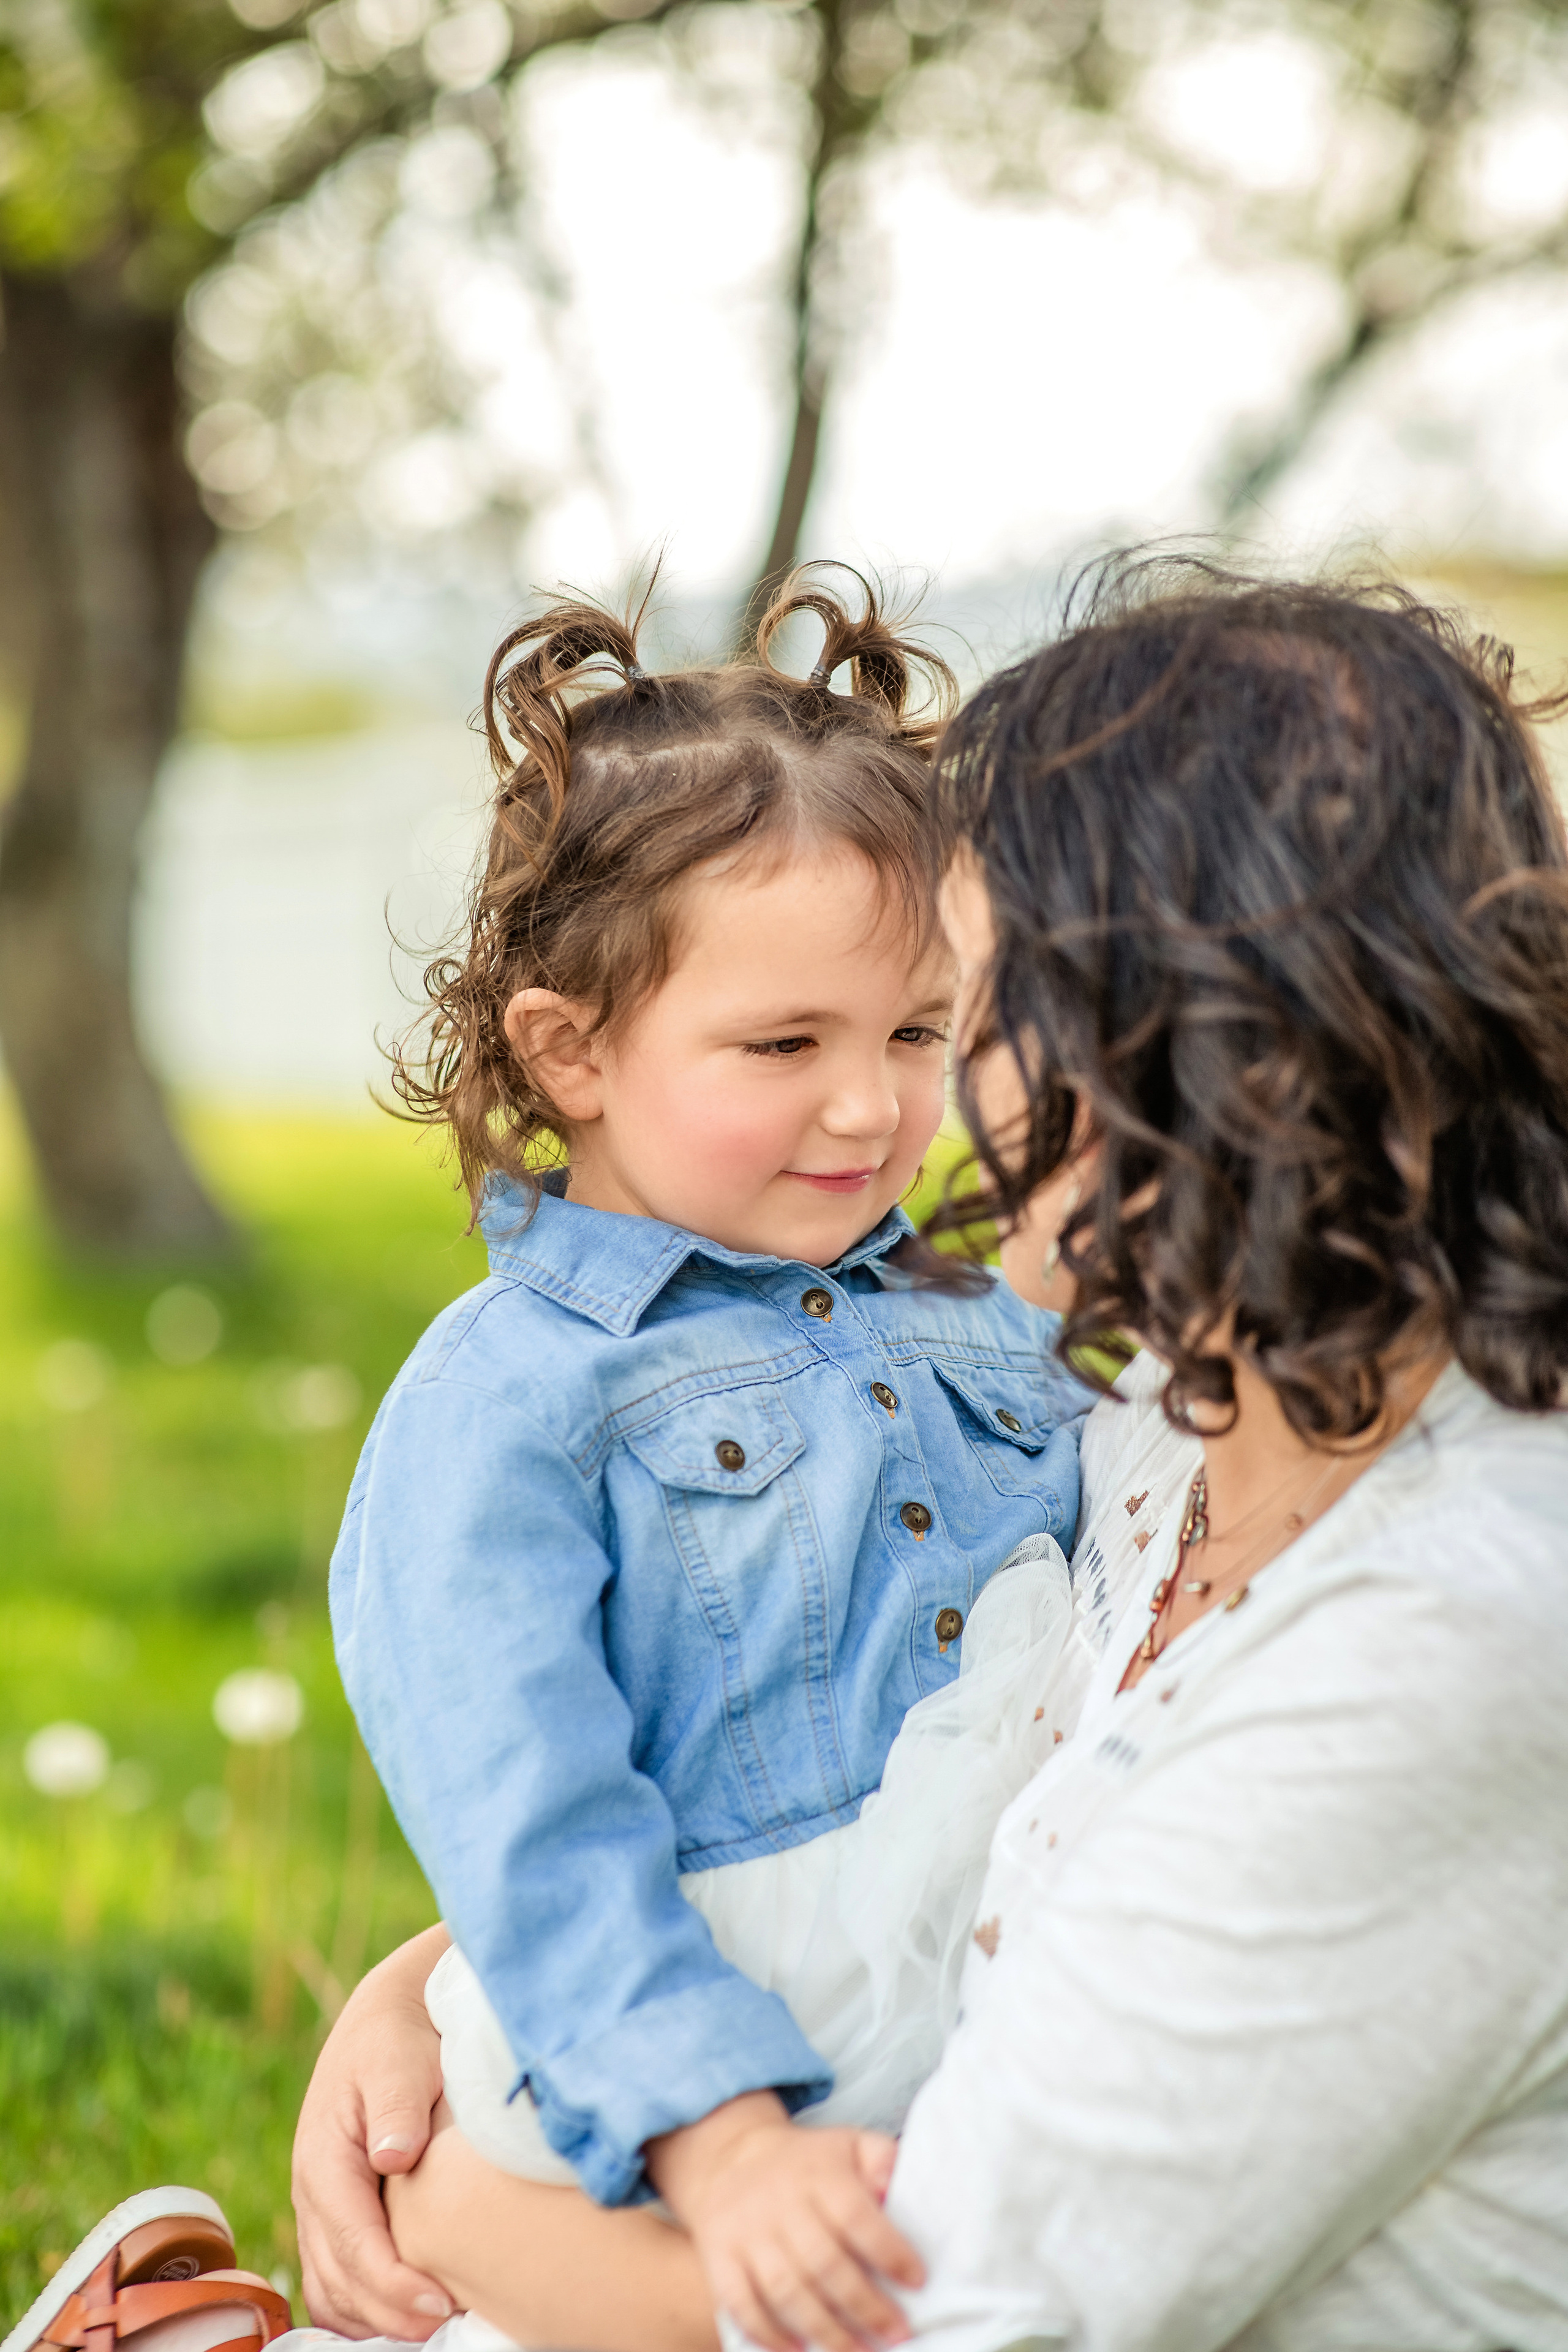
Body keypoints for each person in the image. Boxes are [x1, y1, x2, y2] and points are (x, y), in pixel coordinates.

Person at [285, 560, 1568, 2352]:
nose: (909, 1103)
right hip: (712, 2101)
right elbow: (574, 1787)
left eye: (953, 1009)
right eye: (797, 1039)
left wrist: (452, 2209)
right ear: (568, 1054)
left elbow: (943, 2323)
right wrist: (432, 1992)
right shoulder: (1159, 1447)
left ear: (1213, 1036)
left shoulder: (1442, 1626)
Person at [323, 567, 1093, 2352]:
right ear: (572, 1049)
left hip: (964, 2038)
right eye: (783, 1046)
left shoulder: (990, 1314)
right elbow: (533, 1819)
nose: (870, 1107)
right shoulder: (509, 1398)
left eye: (916, 1032)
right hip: (676, 2094)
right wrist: (720, 2142)